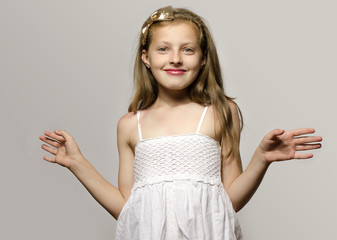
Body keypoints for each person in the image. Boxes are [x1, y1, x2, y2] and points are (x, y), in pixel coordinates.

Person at [39, 6, 322, 240]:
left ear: (202, 59)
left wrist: (261, 159)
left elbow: (229, 201)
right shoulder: (129, 125)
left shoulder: (222, 113)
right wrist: (77, 163)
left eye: (187, 50)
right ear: (146, 57)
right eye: (163, 49)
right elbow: (127, 208)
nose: (175, 58)